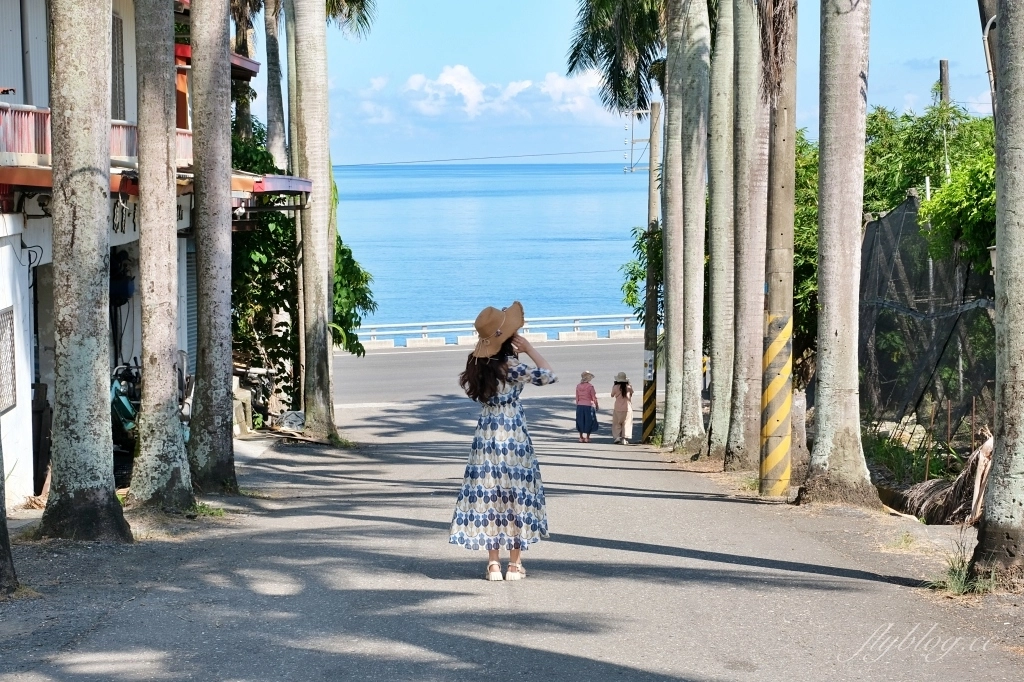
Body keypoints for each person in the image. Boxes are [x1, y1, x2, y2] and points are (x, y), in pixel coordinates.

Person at [450, 301, 556, 581]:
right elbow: (549, 375)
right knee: (515, 495)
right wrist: (529, 348)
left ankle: (493, 564)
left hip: (486, 432)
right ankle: (515, 565)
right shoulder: (511, 366)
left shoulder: (477, 364)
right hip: (513, 433)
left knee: (491, 495)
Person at [611, 372, 634, 445]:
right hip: (628, 408)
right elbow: (632, 393)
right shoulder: (628, 387)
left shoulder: (615, 387)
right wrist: (629, 384)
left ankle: (617, 437)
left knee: (617, 423)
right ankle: (624, 439)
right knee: (627, 423)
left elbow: (612, 395)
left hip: (617, 407)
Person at [575, 371, 599, 443]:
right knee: (589, 421)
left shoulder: (578, 386)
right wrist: (597, 405)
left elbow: (577, 397)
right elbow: (593, 397)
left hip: (580, 405)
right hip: (589, 406)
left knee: (580, 421)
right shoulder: (590, 387)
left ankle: (580, 437)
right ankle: (587, 437)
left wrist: (578, 404)